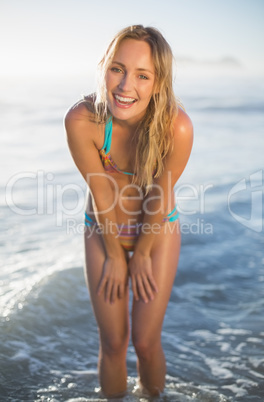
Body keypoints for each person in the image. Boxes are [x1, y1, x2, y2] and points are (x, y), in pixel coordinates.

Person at [65, 25, 193, 398]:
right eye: (117, 69)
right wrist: (115, 256)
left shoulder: (176, 127)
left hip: (158, 229)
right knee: (114, 342)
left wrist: (143, 255)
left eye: (142, 75)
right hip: (103, 229)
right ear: (104, 66)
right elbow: (101, 190)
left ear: (159, 82)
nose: (125, 86)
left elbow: (159, 196)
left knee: (145, 341)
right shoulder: (82, 120)